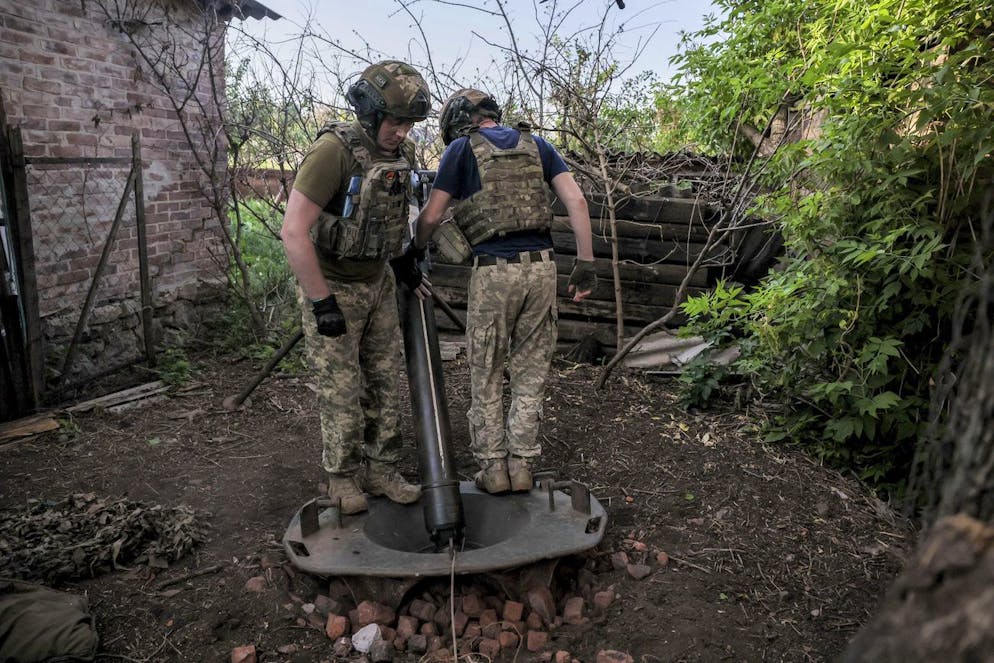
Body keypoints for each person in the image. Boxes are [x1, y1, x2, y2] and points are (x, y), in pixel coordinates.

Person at [397, 88, 596, 494]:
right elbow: (575, 199)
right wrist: (586, 263)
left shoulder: (460, 150)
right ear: (493, 114)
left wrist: (413, 250)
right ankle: (522, 465)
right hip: (542, 269)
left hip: (494, 273)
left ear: (456, 122)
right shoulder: (537, 144)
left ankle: (493, 469)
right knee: (531, 370)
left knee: (486, 370)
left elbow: (433, 215)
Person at [279, 60, 431, 515]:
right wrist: (321, 300)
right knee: (341, 389)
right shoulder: (334, 151)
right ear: (369, 111)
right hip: (334, 285)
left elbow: (391, 218)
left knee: (385, 383)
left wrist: (403, 261)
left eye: (409, 123)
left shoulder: (399, 157)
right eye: (396, 120)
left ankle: (381, 469)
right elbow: (293, 230)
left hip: (377, 283)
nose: (402, 131)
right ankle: (342, 477)